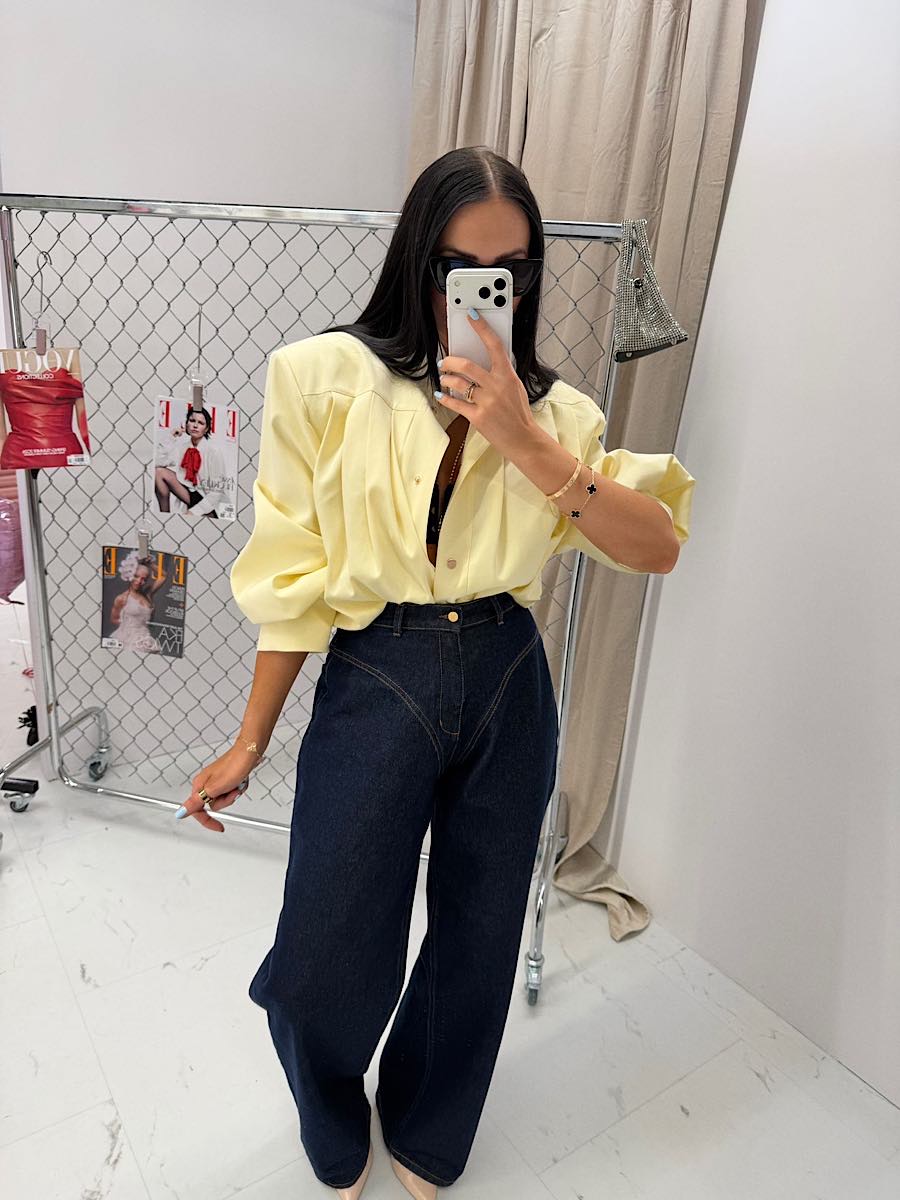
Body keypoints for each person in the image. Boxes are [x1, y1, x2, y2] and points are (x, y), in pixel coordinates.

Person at [175, 147, 695, 1199]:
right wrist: (249, 738)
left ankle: (428, 1119)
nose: (483, 291)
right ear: (418, 259)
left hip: (507, 675)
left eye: (510, 271)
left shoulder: (561, 418)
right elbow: (293, 574)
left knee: (481, 927)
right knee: (325, 941)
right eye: (460, 268)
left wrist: (525, 439)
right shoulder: (321, 378)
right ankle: (331, 1105)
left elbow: (657, 546)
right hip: (381, 668)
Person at [153, 406, 228, 517]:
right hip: (191, 494)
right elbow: (157, 462)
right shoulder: (182, 448)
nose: (195, 425)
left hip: (210, 502)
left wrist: (194, 512)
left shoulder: (213, 451)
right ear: (187, 424)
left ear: (206, 429)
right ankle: (164, 516)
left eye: (200, 423)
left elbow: (217, 492)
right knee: (159, 472)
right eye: (192, 421)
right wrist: (172, 437)